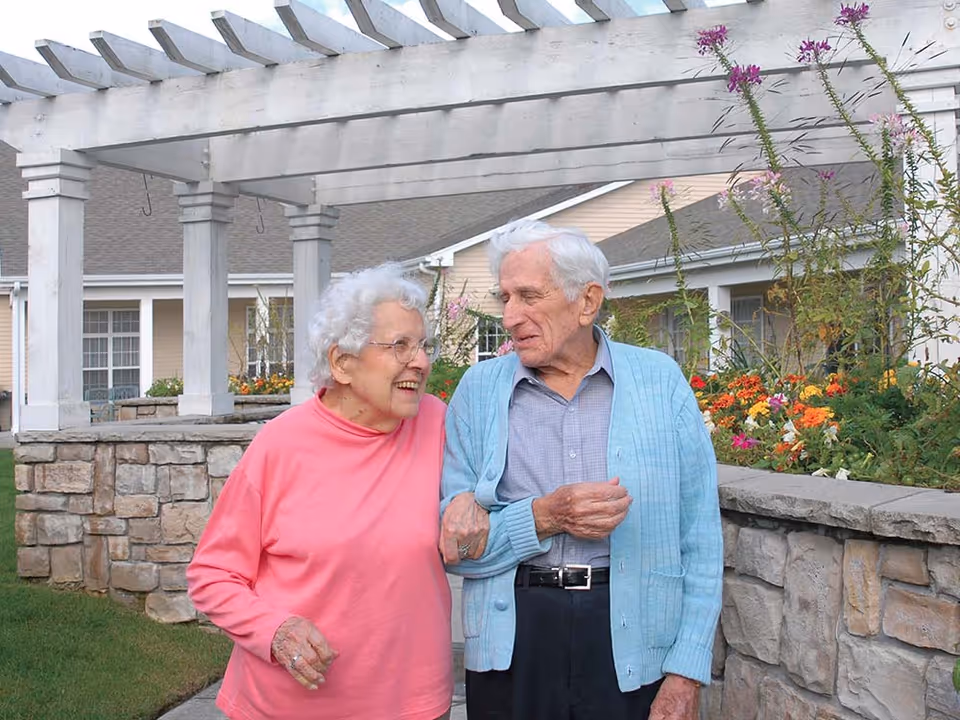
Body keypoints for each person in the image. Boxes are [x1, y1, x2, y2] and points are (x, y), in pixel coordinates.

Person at [439, 220, 723, 720]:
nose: (509, 317)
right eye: (503, 297)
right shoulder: (478, 392)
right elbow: (457, 553)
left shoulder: (660, 382)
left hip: (635, 641)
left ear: (587, 301)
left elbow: (700, 538)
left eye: (528, 295)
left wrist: (686, 671)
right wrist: (546, 516)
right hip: (515, 637)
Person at [187, 264, 456, 720]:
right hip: (289, 706)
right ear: (341, 362)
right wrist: (275, 631)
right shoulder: (281, 445)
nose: (422, 361)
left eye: (424, 345)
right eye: (400, 346)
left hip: (414, 704)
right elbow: (212, 574)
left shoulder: (439, 424)